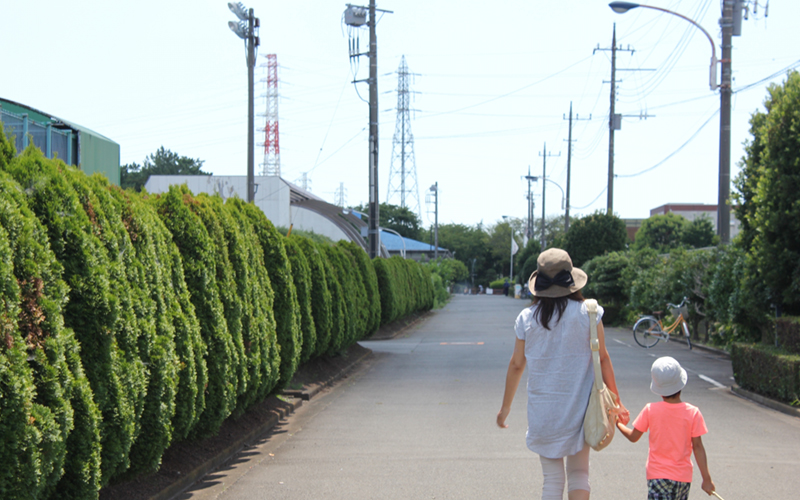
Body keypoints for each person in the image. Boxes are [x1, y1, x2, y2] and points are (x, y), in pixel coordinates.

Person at [497, 248, 629, 500]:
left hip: (543, 412)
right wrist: (617, 402)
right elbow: (602, 357)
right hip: (580, 410)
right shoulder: (590, 312)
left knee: (552, 479)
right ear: (572, 280)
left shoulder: (527, 318)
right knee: (580, 473)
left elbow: (516, 365)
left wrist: (505, 408)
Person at [616, 357, 716, 499]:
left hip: (657, 476)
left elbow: (633, 437)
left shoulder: (650, 410)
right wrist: (706, 479)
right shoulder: (693, 412)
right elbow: (698, 447)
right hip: (683, 478)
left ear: (658, 388)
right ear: (681, 384)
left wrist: (617, 423)